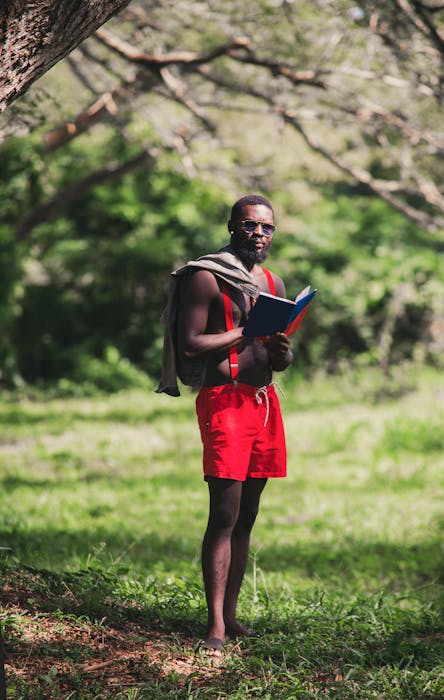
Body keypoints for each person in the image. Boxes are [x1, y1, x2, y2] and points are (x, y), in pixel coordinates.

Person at [173, 194, 293, 654]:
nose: (258, 234)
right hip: (224, 402)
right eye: (249, 226)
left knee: (248, 515)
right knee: (223, 514)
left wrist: (282, 354)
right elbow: (189, 344)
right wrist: (246, 331)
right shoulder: (205, 277)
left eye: (266, 228)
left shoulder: (271, 281)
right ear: (231, 227)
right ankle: (214, 628)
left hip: (264, 402)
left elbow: (276, 352)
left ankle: (232, 617)